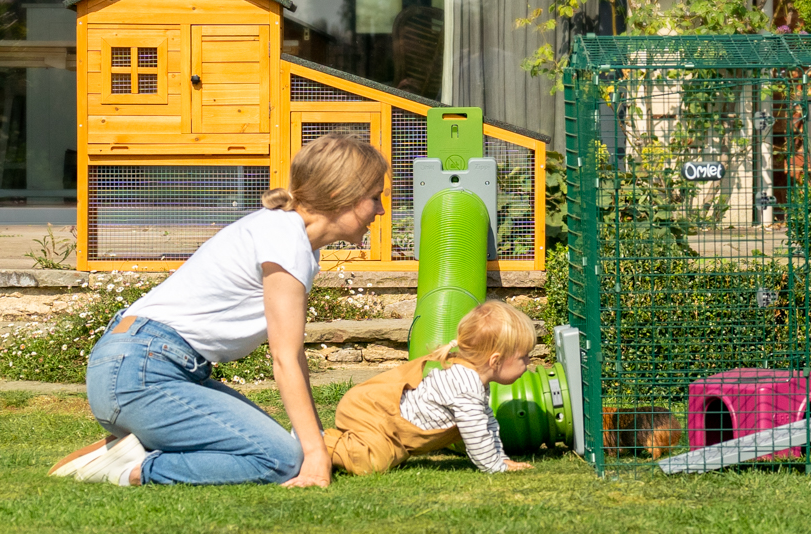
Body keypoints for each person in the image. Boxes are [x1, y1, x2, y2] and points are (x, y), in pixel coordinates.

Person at [49, 133, 386, 487]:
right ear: (338, 195)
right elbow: (285, 357)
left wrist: (312, 441)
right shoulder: (286, 241)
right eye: (374, 198)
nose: (380, 210)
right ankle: (128, 469)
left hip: (136, 366)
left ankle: (132, 447)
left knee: (291, 450)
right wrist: (315, 455)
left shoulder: (287, 235)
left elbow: (292, 354)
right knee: (280, 460)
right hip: (143, 371)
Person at [324, 300, 536, 475]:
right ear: (495, 360)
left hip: (390, 427)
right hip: (375, 415)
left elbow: (487, 423)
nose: (528, 362)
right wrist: (494, 467)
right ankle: (319, 441)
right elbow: (475, 433)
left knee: (390, 458)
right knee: (371, 463)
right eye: (523, 356)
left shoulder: (473, 379)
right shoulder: (465, 386)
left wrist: (502, 458)